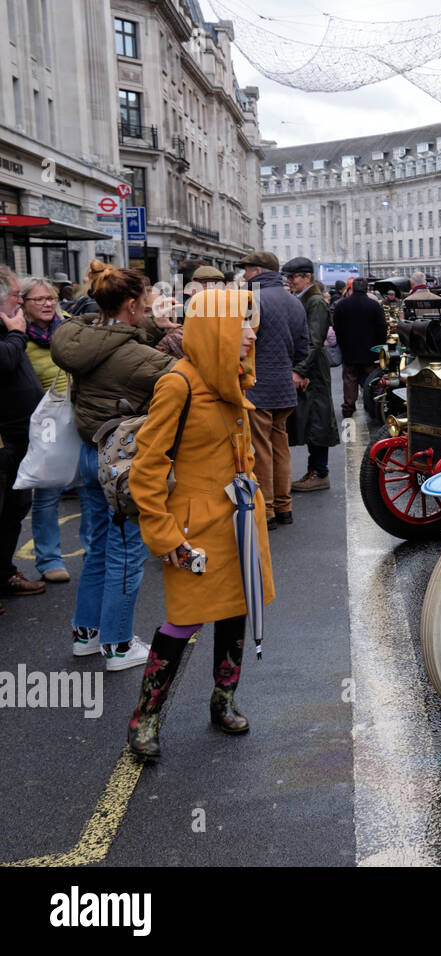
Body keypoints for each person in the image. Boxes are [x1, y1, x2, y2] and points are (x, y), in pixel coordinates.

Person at [125, 287, 276, 758]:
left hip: (239, 520)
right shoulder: (179, 384)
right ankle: (145, 718)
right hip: (194, 530)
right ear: (216, 331)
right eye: (241, 325)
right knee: (181, 623)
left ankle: (223, 701)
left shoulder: (229, 375)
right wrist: (164, 533)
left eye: (251, 323)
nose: (251, 334)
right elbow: (146, 469)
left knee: (236, 609)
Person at [50, 260, 180, 669]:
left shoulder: (80, 335)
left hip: (89, 453)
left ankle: (86, 634)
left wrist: (155, 327)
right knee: (126, 552)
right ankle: (120, 645)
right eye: (143, 301)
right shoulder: (139, 359)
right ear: (129, 303)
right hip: (122, 461)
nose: (148, 306)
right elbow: (184, 381)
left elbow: (119, 344)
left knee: (98, 548)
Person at [242, 253, 308, 527]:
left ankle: (267, 510)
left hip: (258, 385)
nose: (244, 276)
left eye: (246, 271)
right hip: (283, 385)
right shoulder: (293, 301)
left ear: (257, 271)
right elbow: (304, 347)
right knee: (280, 445)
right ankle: (285, 506)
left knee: (261, 448)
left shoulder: (251, 299)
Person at [19, 277, 73, 583]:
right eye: (38, 299)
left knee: (92, 489)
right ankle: (49, 559)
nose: (47, 304)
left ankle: (96, 552)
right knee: (48, 493)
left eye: (50, 298)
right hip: (46, 424)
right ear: (24, 304)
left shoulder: (69, 327)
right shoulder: (19, 338)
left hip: (80, 416)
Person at [1, 266, 47, 609]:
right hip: (4, 436)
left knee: (15, 508)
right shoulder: (12, 331)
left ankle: (4, 573)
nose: (18, 300)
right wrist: (17, 334)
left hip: (20, 433)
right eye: (17, 295)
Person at [284, 256, 339, 491]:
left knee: (317, 420)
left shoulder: (315, 301)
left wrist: (299, 370)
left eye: (293, 276)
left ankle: (320, 473)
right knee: (311, 421)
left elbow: (314, 341)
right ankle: (314, 470)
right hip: (311, 370)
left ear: (307, 277)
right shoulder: (304, 299)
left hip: (314, 371)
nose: (289, 281)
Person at [331, 275, 387, 422]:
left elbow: (337, 327)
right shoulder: (374, 305)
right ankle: (374, 406)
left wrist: (343, 343)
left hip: (349, 349)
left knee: (350, 379)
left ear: (352, 288)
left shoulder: (342, 305)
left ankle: (348, 408)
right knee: (371, 380)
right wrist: (380, 345)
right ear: (367, 289)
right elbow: (382, 327)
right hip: (370, 350)